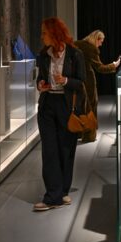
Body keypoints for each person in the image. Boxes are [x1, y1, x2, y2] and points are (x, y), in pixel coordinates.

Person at [33, 17, 86, 212]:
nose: (42, 37)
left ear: (54, 34)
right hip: (47, 105)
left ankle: (63, 191)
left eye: (44, 33)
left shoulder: (75, 54)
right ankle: (52, 196)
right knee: (49, 150)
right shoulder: (43, 54)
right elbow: (40, 77)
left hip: (67, 106)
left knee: (66, 149)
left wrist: (65, 81)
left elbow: (81, 82)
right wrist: (40, 84)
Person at [74, 30, 121, 117]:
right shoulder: (91, 49)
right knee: (91, 105)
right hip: (87, 80)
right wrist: (114, 65)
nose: (101, 45)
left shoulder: (76, 44)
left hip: (74, 79)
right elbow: (100, 68)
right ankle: (91, 124)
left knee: (77, 105)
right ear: (96, 39)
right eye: (101, 42)